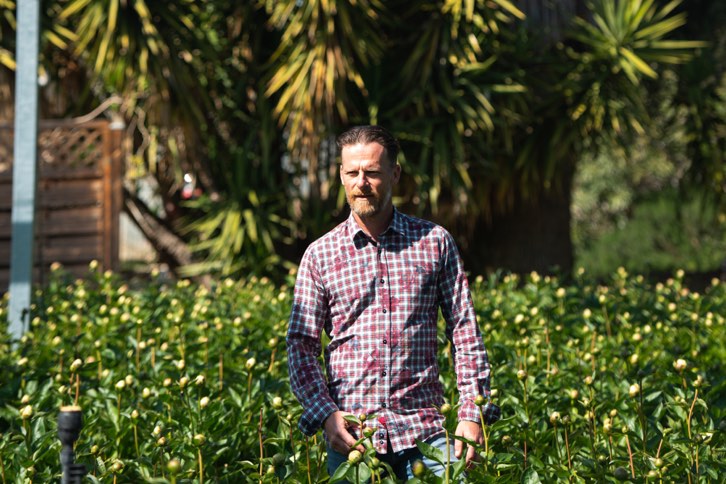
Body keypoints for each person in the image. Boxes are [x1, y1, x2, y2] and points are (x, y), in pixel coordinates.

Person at [286, 125, 500, 481]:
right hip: (354, 438)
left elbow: (464, 331)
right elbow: (301, 345)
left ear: (395, 173)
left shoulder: (434, 243)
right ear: (341, 175)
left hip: (427, 435)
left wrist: (470, 413)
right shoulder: (319, 256)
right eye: (352, 173)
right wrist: (325, 414)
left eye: (371, 172)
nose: (361, 183)